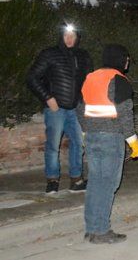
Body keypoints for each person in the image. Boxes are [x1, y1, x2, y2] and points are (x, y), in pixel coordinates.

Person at [78, 44, 138, 244]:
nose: (127, 62)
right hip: (111, 138)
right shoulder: (119, 80)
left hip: (91, 137)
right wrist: (133, 141)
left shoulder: (90, 78)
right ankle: (102, 231)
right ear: (119, 59)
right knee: (108, 184)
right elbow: (125, 114)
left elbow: (79, 109)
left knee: (96, 182)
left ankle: (91, 229)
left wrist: (85, 131)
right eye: (126, 58)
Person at [27, 22, 92, 194]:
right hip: (56, 110)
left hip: (76, 108)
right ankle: (52, 180)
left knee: (79, 144)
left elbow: (89, 81)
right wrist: (48, 98)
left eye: (73, 35)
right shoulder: (49, 54)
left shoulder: (83, 55)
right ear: (61, 36)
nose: (69, 39)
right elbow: (32, 77)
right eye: (66, 35)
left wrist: (84, 102)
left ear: (78, 37)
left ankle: (76, 179)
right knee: (53, 145)